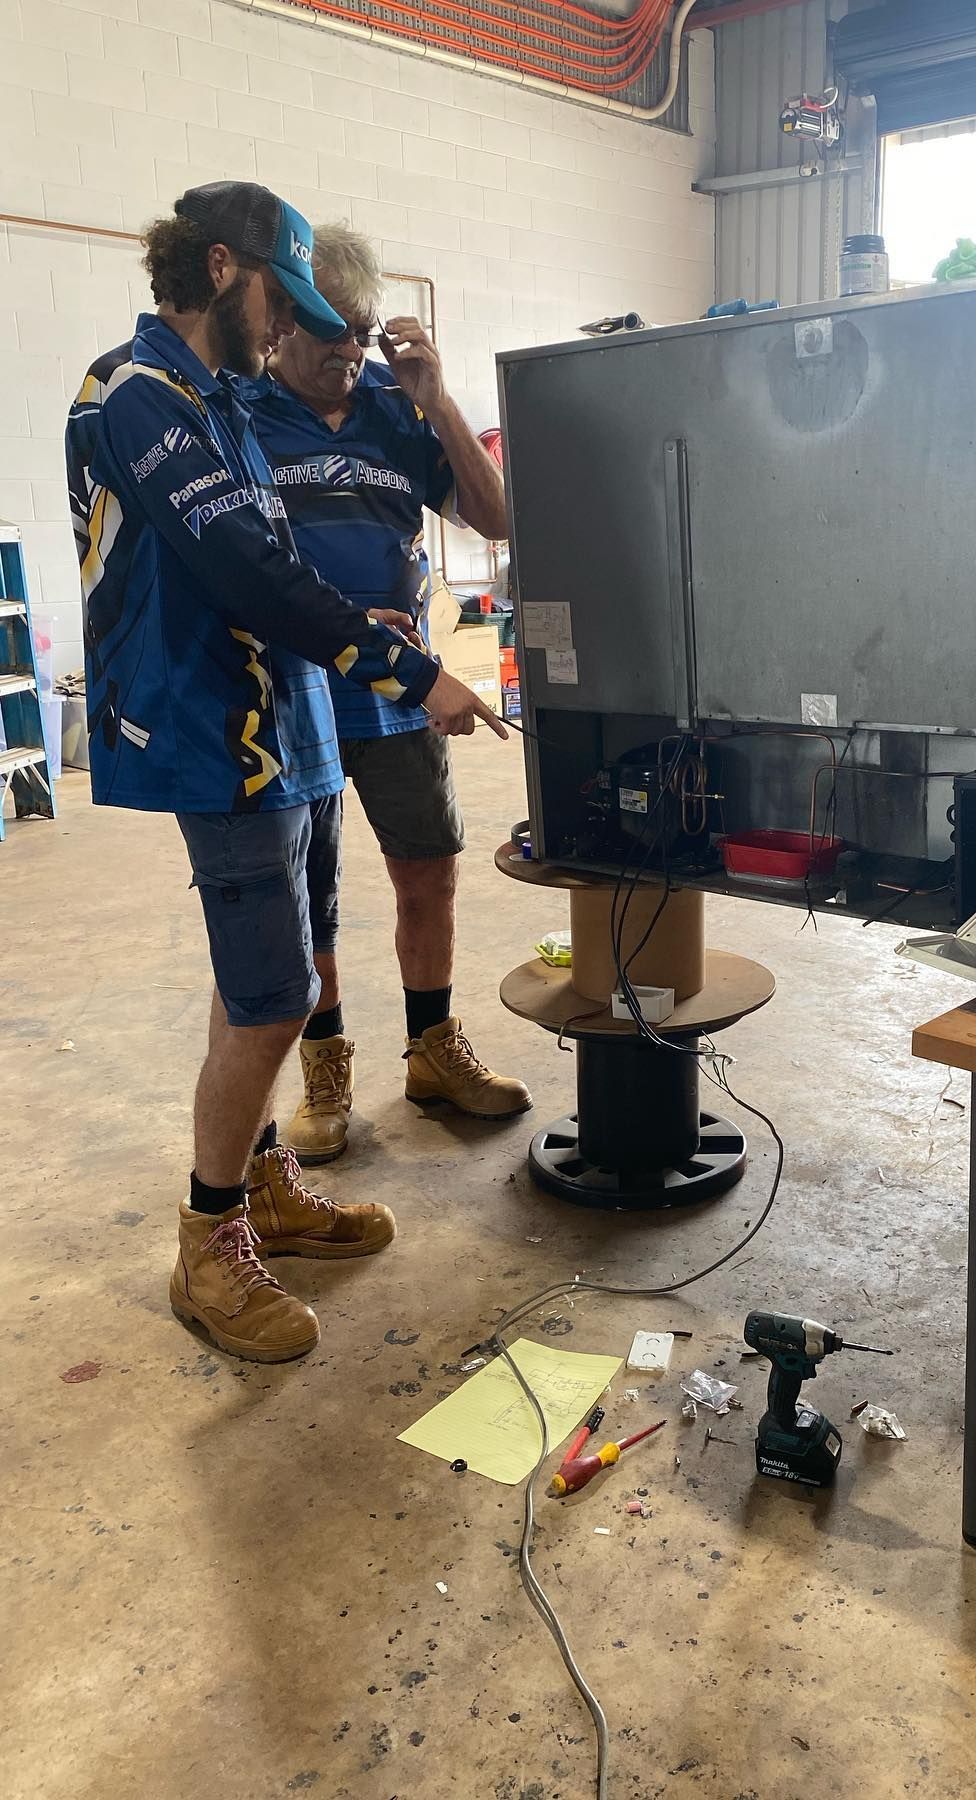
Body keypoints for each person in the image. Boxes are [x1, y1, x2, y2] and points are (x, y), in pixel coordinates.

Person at [65, 181, 506, 1364]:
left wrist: (356, 620)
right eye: (285, 300)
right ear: (221, 268)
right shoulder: (139, 394)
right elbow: (248, 573)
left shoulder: (219, 401)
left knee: (280, 972)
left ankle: (261, 1181)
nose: (294, 329)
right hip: (216, 738)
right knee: (267, 997)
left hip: (289, 722)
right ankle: (207, 1246)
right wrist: (415, 678)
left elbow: (273, 569)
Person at [245, 224, 530, 1165]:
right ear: (279, 323)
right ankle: (326, 1072)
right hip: (293, 696)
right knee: (309, 893)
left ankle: (432, 1047)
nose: (349, 354)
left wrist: (438, 401)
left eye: (362, 333)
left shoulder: (391, 406)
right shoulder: (239, 411)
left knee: (429, 868)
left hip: (401, 694)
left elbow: (494, 519)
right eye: (331, 334)